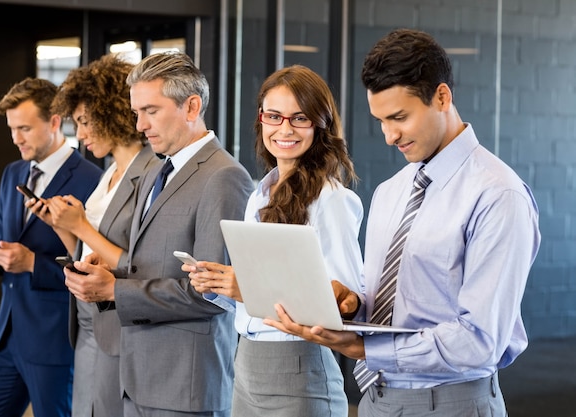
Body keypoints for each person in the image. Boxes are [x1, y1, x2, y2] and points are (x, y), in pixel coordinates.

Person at [264, 28, 541, 417]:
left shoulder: (498, 194)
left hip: (452, 402)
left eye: (399, 118)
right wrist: (351, 305)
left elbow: (480, 340)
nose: (389, 136)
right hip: (377, 400)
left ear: (442, 97)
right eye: (380, 120)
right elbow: (389, 302)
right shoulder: (391, 191)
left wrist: (364, 348)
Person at [61, 51, 254, 417]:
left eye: (150, 111)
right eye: (136, 113)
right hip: (135, 377)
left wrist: (113, 289)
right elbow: (144, 265)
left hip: (184, 385)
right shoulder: (155, 172)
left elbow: (212, 295)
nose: (139, 125)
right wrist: (109, 274)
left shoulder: (224, 177)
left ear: (191, 107)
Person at [182, 64, 364, 417]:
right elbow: (254, 302)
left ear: (320, 124)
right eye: (274, 116)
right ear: (261, 119)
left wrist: (248, 287)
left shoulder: (331, 199)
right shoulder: (260, 193)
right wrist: (220, 283)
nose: (285, 129)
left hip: (299, 370)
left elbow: (343, 304)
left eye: (299, 118)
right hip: (246, 364)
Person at [0, 77, 103, 417]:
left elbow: (97, 267)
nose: (15, 138)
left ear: (53, 122)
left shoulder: (92, 180)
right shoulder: (12, 172)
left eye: (24, 128)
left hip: (54, 342)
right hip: (5, 339)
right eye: (11, 129)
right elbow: (7, 250)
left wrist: (35, 263)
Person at [29, 54, 160, 417]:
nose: (81, 135)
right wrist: (63, 226)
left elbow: (141, 262)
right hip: (88, 320)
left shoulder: (151, 172)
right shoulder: (109, 173)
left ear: (113, 111)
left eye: (85, 122)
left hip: (119, 321)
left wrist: (81, 225)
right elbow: (88, 250)